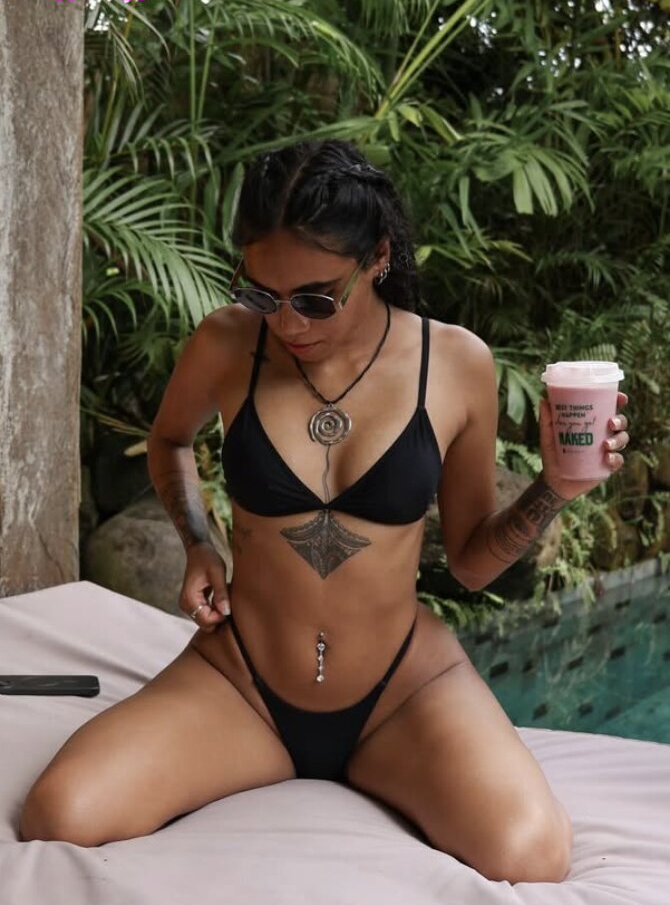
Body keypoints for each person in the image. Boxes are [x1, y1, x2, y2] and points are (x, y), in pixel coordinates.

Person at [19, 139, 629, 882]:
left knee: (530, 855)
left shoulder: (454, 363)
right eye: (262, 295)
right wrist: (200, 543)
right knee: (61, 812)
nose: (288, 324)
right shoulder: (227, 343)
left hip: (400, 691)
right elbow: (170, 440)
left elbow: (471, 565)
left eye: (314, 298)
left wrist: (556, 488)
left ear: (378, 258)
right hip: (245, 683)